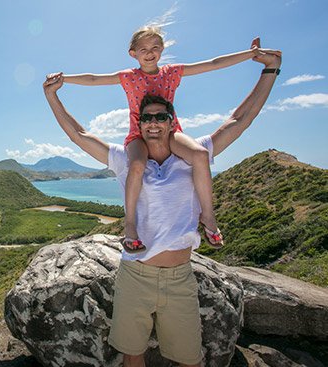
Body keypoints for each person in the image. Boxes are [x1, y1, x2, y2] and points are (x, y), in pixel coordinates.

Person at [43, 44, 281, 366]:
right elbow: (78, 133)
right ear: (138, 125)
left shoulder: (193, 158)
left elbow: (241, 119)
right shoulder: (125, 160)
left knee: (189, 360)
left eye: (161, 117)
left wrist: (269, 71)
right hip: (135, 275)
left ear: (172, 122)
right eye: (146, 118)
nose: (153, 123)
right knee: (133, 356)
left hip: (180, 277)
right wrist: (52, 96)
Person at [56, 26, 264, 253]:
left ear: (162, 49)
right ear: (133, 53)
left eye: (155, 47)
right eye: (143, 48)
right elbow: (95, 79)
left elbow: (212, 64)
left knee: (200, 155)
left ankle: (208, 216)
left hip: (171, 130)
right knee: (136, 164)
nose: (149, 52)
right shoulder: (128, 77)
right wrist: (63, 79)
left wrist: (250, 53)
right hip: (138, 134)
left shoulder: (171, 73)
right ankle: (130, 225)